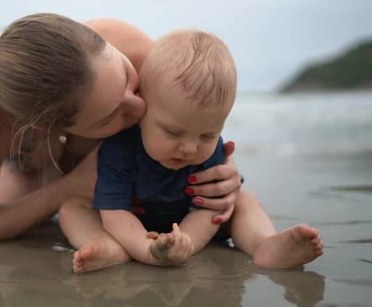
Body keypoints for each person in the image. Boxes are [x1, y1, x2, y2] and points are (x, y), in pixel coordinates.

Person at [0, 13, 242, 258]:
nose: (139, 106)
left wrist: (220, 170)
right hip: (22, 143)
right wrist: (68, 188)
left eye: (128, 78)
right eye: (113, 116)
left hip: (60, 90)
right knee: (27, 192)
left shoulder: (133, 48)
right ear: (52, 128)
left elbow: (196, 121)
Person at [72, 30, 323, 272]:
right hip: (132, 225)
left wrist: (185, 244)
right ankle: (111, 246)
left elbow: (209, 210)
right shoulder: (120, 148)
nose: (190, 148)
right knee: (72, 207)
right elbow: (115, 213)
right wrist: (147, 249)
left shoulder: (211, 152)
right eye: (173, 132)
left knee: (244, 201)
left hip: (199, 227)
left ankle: (263, 244)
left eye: (207, 135)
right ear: (143, 110)